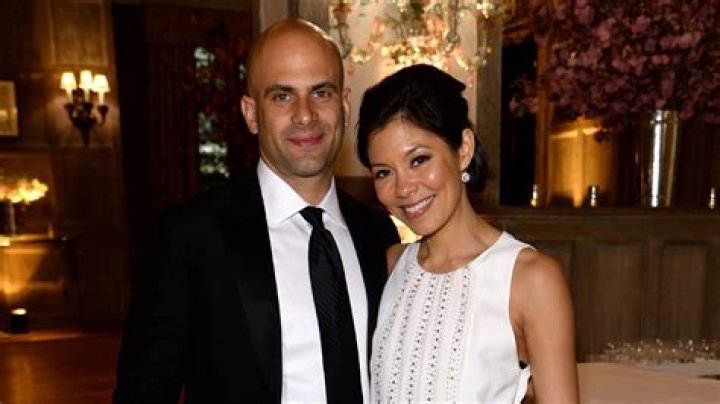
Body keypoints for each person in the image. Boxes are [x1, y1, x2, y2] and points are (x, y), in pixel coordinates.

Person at [114, 19, 399, 403]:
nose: (305, 115)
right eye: (282, 96)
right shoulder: (191, 236)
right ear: (251, 113)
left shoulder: (377, 233)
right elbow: (144, 391)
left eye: (321, 92)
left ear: (345, 106)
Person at [355, 64, 579, 403]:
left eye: (419, 160)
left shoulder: (530, 278)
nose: (403, 189)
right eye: (384, 172)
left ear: (463, 150)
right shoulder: (390, 266)